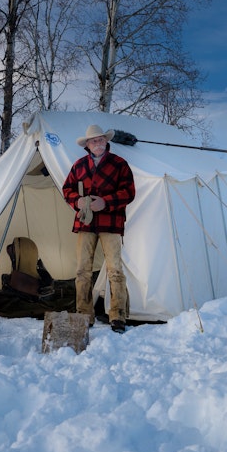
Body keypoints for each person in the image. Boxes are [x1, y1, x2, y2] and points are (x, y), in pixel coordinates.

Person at [62, 124, 136, 333]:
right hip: (85, 223)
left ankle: (118, 316)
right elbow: (67, 189)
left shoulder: (120, 164)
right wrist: (77, 201)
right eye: (94, 140)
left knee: (115, 270)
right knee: (82, 271)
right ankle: (84, 315)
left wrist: (106, 202)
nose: (98, 143)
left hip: (111, 223)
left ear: (106, 141)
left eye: (101, 139)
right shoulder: (79, 166)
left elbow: (129, 192)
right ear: (87, 144)